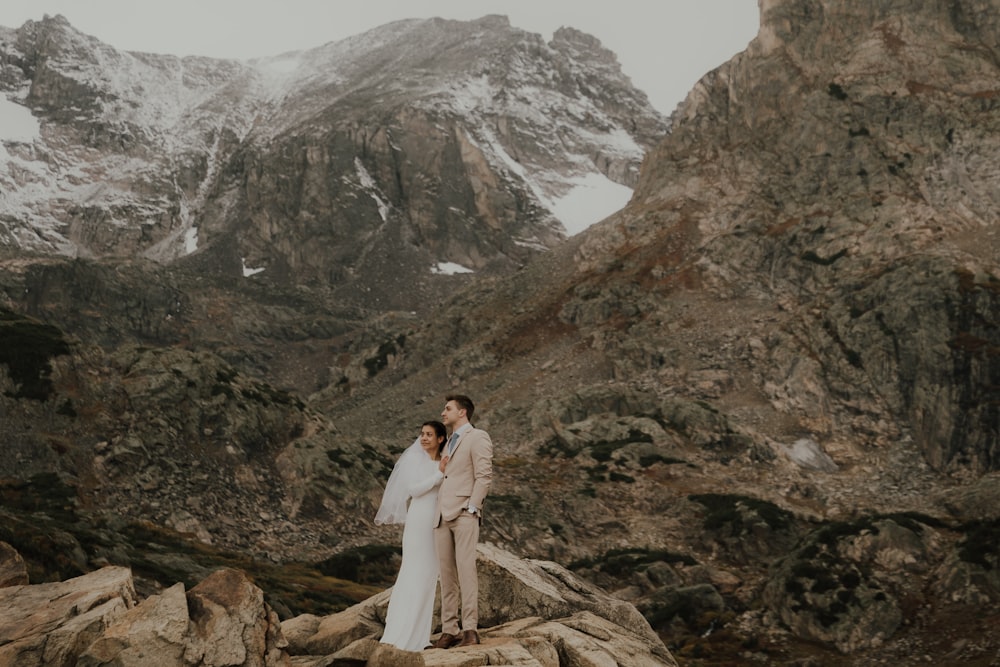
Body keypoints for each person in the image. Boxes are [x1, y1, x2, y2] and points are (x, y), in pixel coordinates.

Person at [374, 420, 447, 651]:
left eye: (429, 434)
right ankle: (400, 633)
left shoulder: (443, 461)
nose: (424, 438)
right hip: (418, 521)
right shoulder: (416, 460)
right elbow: (413, 489)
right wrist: (439, 475)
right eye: (422, 434)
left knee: (428, 577)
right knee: (412, 572)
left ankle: (420, 636)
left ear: (440, 439)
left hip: (436, 522)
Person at [430, 394, 494, 649]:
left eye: (448, 409)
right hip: (442, 516)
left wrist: (472, 506)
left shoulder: (477, 437)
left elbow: (484, 475)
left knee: (467, 572)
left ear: (463, 412)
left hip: (464, 513)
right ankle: (449, 630)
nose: (443, 413)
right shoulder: (447, 444)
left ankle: (470, 630)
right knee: (446, 576)